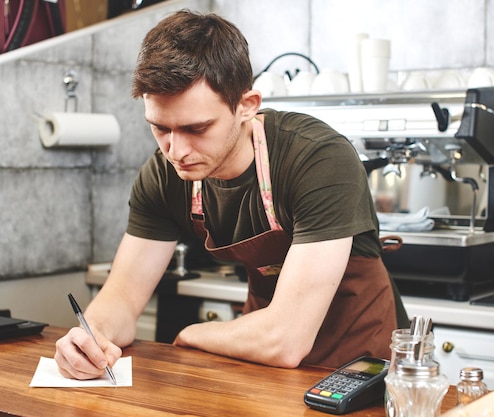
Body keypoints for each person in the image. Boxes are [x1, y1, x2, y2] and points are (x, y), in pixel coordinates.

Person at [54, 10, 408, 380]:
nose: (176, 150)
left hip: (360, 368)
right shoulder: (164, 174)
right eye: (160, 128)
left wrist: (192, 333)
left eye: (197, 128)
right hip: (263, 365)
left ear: (247, 106)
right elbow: (122, 299)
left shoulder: (317, 158)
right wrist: (91, 336)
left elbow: (285, 339)